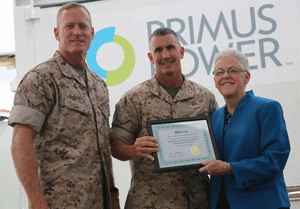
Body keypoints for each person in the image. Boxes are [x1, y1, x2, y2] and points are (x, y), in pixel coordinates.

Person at [9, 2, 119, 209]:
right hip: (58, 203)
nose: (77, 32)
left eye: (83, 26)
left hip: (98, 202)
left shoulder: (99, 86)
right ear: (56, 33)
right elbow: (20, 143)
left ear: (92, 33)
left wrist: (113, 197)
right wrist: (36, 200)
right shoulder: (40, 79)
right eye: (69, 26)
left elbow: (103, 149)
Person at [109, 27, 218, 208]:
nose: (165, 55)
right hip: (150, 202)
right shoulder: (133, 99)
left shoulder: (205, 98)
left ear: (181, 52)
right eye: (158, 50)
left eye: (170, 48)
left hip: (198, 201)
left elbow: (219, 144)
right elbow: (115, 146)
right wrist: (133, 150)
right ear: (151, 58)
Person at [199, 48, 290, 209]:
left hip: (262, 203)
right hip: (221, 203)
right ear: (215, 80)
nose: (225, 76)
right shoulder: (214, 118)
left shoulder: (267, 108)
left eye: (232, 70)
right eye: (219, 72)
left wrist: (229, 168)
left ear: (246, 76)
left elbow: (275, 159)